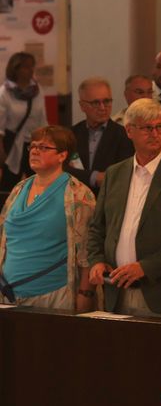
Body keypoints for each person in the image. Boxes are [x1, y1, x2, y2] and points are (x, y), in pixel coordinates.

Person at [86, 98, 161, 317]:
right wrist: (96, 260)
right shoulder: (114, 173)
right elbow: (97, 227)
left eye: (160, 127)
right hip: (117, 291)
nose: (155, 134)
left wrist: (146, 267)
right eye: (147, 128)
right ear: (129, 130)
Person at [0, 126, 96, 311]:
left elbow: (88, 251)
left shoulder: (79, 194)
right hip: (8, 293)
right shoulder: (19, 188)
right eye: (33, 146)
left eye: (44, 147)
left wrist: (85, 294)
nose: (35, 150)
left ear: (62, 155)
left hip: (53, 294)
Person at [69, 76, 134, 192]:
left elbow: (122, 175)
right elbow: (63, 171)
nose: (103, 108)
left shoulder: (124, 135)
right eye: (95, 103)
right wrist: (94, 177)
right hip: (75, 201)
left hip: (109, 201)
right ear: (82, 106)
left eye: (107, 101)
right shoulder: (71, 134)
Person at [0, 52, 47, 187]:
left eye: (32, 66)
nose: (30, 70)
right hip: (12, 143)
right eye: (26, 67)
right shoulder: (5, 92)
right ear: (15, 69)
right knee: (10, 183)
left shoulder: (37, 91)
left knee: (37, 182)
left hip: (34, 143)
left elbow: (43, 119)